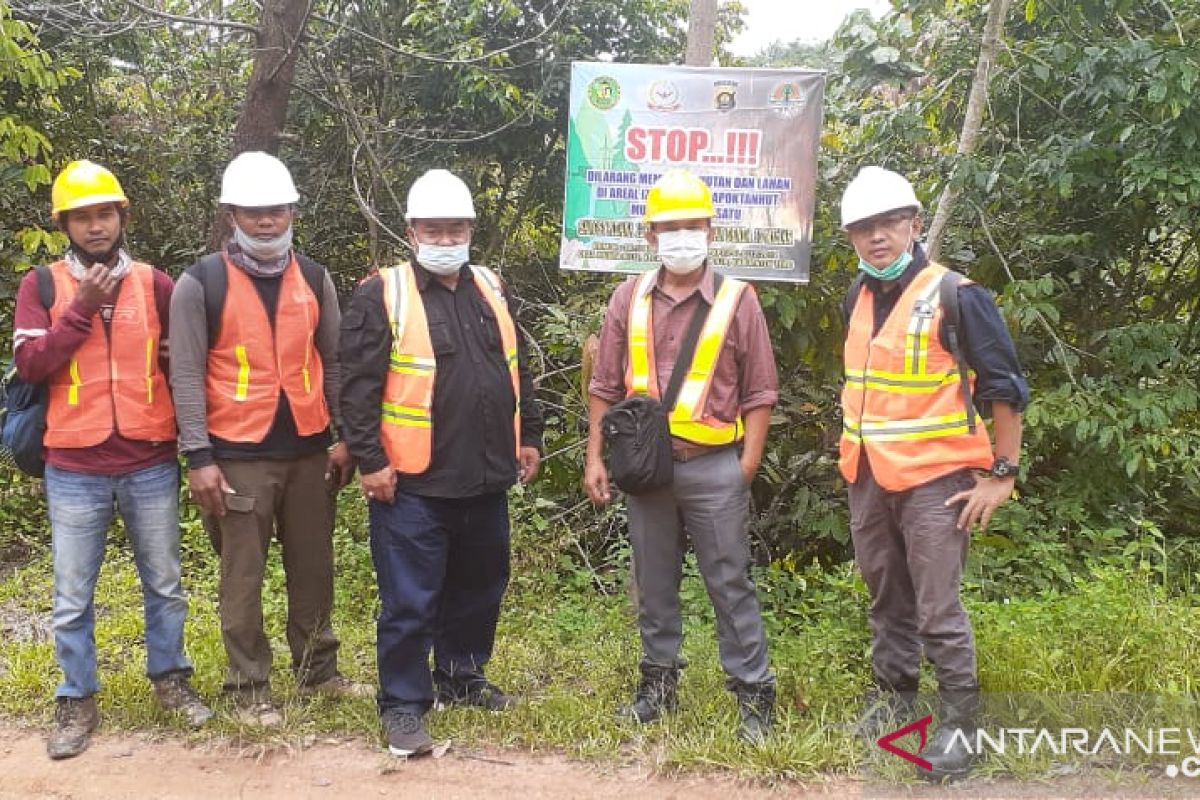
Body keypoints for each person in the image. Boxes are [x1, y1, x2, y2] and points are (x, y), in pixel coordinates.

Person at [339, 168, 543, 756]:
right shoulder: (382, 292)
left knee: (480, 588)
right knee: (410, 600)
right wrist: (370, 460)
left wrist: (526, 435)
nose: (446, 238)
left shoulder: (491, 286)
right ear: (411, 230)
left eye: (456, 228)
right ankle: (403, 705)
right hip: (412, 484)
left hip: (485, 474)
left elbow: (515, 367)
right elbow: (357, 388)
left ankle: (462, 676)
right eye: (434, 228)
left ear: (472, 229)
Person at [13, 160, 211, 759]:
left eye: (105, 213)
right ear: (64, 224)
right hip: (73, 464)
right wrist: (79, 310)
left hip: (149, 457)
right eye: (82, 216)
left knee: (166, 583)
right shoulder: (42, 285)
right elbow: (30, 366)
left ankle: (170, 680)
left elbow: (184, 362)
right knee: (72, 594)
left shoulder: (156, 284)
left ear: (122, 217)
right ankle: (76, 698)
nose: (95, 226)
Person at [838, 166, 1028, 780]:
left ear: (914, 224)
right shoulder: (858, 296)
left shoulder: (957, 294)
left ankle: (959, 728)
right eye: (863, 229)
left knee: (937, 608)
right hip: (868, 475)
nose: (876, 238)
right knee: (886, 595)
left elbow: (1005, 387)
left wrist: (1002, 473)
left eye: (888, 223)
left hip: (938, 481)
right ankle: (895, 702)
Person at [169, 151, 366, 727]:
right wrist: (198, 457)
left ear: (292, 212)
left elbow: (332, 362)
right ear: (231, 213)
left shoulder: (315, 277)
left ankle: (318, 672)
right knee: (243, 575)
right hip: (236, 455)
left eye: (275, 210)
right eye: (252, 211)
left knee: (314, 566)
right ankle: (249, 686)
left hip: (308, 449)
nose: (265, 221)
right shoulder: (199, 283)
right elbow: (184, 373)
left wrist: (344, 435)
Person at [583, 168, 778, 743]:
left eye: (691, 225)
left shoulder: (738, 300)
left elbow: (761, 392)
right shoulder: (628, 297)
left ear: (710, 230)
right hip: (645, 471)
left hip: (716, 466)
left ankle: (753, 694)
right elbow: (604, 387)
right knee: (654, 580)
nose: (681, 236)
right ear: (650, 236)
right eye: (670, 227)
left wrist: (746, 467)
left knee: (728, 581)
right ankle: (658, 686)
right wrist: (596, 458)